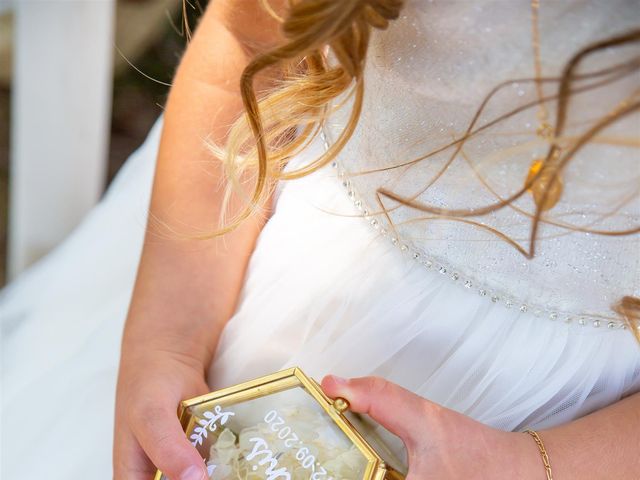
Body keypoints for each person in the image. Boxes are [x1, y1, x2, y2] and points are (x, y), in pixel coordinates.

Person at [1, 1, 638, 479]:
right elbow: (245, 43)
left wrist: (528, 465)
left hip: (579, 430)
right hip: (241, 258)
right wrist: (166, 340)